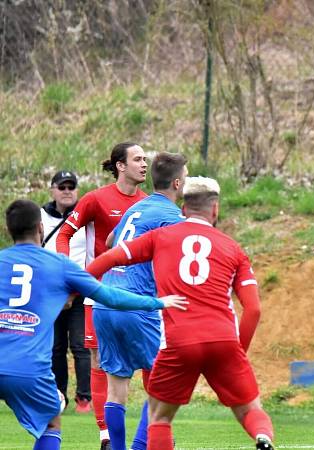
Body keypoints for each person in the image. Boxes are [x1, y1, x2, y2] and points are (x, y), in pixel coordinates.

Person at [85, 177, 275, 450]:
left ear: (184, 210)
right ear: (215, 210)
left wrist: (76, 285)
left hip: (178, 341)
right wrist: (239, 351)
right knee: (249, 409)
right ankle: (262, 436)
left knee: (159, 417)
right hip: (222, 340)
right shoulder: (233, 249)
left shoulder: (160, 237)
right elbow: (253, 309)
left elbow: (110, 256)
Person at [0, 199, 186, 450]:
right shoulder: (58, 266)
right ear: (40, 228)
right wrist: (157, 303)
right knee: (51, 421)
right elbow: (110, 295)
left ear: (8, 230)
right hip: (28, 367)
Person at [55, 142, 148, 449]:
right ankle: (105, 435)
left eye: (146, 159)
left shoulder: (149, 203)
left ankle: (158, 428)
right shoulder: (96, 198)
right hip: (100, 293)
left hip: (137, 293)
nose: (144, 164)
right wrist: (69, 269)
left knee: (150, 361)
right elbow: (65, 233)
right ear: (120, 166)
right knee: (98, 362)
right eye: (138, 159)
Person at [93, 153, 188, 450]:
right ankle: (140, 446)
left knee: (116, 388)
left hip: (105, 302)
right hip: (138, 305)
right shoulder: (171, 216)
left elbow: (110, 243)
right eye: (186, 177)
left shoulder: (137, 207)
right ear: (177, 183)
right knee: (163, 387)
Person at [41, 170, 91, 413]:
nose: (67, 191)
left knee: (81, 345)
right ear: (52, 190)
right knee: (55, 346)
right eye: (62, 187)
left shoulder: (85, 216)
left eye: (71, 187)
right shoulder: (41, 216)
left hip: (79, 289)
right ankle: (58, 395)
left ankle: (85, 398)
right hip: (50, 291)